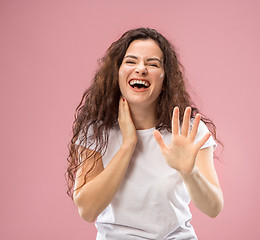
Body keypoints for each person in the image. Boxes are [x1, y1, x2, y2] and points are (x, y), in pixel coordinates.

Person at [66, 27, 223, 239]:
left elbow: (213, 208)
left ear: (165, 80)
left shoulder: (187, 129)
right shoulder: (97, 130)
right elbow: (87, 210)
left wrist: (189, 172)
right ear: (117, 72)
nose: (141, 69)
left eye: (152, 64)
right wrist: (128, 144)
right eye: (131, 62)